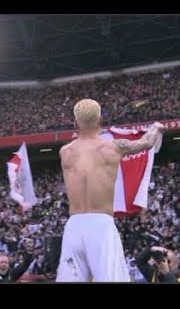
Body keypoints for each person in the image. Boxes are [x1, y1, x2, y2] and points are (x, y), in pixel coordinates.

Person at [56, 98, 166, 282]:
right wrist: (156, 127)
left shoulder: (65, 151)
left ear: (75, 122)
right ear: (100, 120)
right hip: (101, 225)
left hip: (73, 225)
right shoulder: (114, 147)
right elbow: (146, 143)